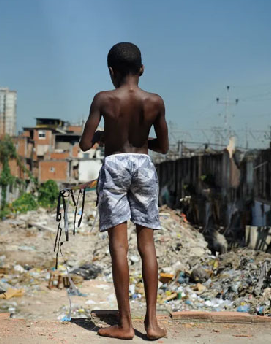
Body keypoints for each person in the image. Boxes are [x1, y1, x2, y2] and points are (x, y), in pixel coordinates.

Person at [79, 42, 169, 340]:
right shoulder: (155, 101)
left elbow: (84, 142)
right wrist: (142, 142)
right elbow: (164, 146)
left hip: (115, 165)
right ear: (141, 70)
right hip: (144, 164)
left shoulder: (103, 99)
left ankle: (125, 325)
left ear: (111, 71)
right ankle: (153, 324)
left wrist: (107, 136)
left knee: (119, 245)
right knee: (148, 244)